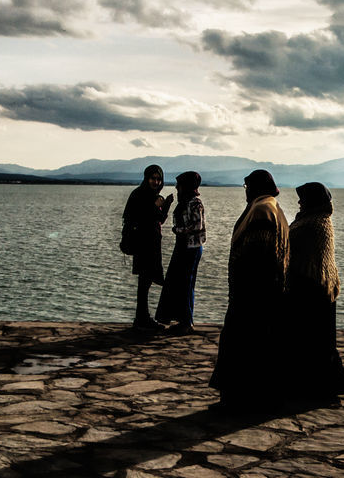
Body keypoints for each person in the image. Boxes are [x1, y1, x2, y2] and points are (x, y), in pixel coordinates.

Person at [209, 169, 290, 407]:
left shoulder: (261, 210)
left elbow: (258, 255)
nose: (245, 192)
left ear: (255, 187)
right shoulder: (272, 206)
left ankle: (239, 397)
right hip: (268, 292)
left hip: (254, 293)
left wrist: (245, 289)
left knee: (242, 346)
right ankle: (254, 396)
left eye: (246, 187)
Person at [284, 182, 344, 402]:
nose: (299, 202)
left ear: (312, 201)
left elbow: (291, 248)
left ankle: (321, 388)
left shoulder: (310, 225)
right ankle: (326, 387)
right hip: (323, 285)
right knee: (321, 342)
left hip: (311, 287)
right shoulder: (320, 220)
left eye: (303, 199)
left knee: (313, 342)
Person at [120, 164, 172, 332]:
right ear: (146, 178)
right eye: (153, 178)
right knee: (144, 280)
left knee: (146, 281)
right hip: (143, 244)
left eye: (158, 179)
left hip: (152, 243)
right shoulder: (139, 195)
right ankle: (142, 318)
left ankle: (142, 317)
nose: (156, 182)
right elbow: (137, 217)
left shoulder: (154, 196)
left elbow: (159, 220)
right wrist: (155, 206)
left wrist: (166, 205)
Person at [155, 171, 205, 334]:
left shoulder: (195, 203)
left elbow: (198, 226)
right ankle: (181, 319)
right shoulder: (184, 202)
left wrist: (178, 230)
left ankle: (187, 322)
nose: (177, 187)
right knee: (177, 283)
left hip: (191, 248)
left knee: (187, 284)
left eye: (179, 184)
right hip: (182, 246)